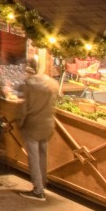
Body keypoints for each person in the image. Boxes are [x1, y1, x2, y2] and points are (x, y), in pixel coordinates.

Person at [16, 58, 63, 203]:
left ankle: (38, 190)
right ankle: (43, 183)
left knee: (34, 158)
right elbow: (59, 98)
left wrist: (20, 123)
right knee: (43, 156)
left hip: (33, 125)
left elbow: (23, 109)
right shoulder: (52, 82)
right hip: (48, 124)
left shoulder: (29, 84)